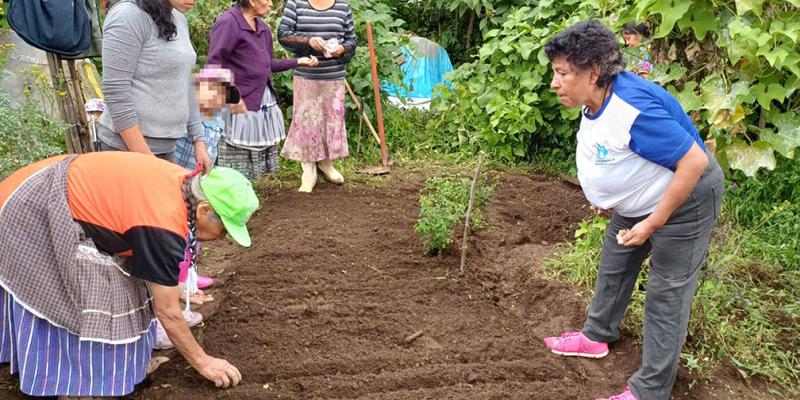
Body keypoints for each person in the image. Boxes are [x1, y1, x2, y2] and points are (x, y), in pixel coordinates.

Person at [542, 20, 723, 400]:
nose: (554, 83)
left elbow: (693, 162)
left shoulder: (632, 107)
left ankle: (651, 391)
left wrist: (654, 222)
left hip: (685, 200)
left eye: (561, 74)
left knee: (666, 294)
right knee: (615, 263)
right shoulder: (597, 96)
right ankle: (596, 336)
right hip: (642, 198)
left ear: (592, 73)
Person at [0, 152, 259, 397]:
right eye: (225, 228)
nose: (223, 237)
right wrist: (203, 362)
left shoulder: (185, 187)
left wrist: (174, 287)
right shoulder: (164, 222)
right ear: (204, 210)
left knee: (127, 286)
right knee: (86, 293)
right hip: (33, 207)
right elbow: (167, 312)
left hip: (53, 189)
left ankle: (111, 369)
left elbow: (139, 240)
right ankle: (73, 385)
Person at [207, 0, 318, 182]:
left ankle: (247, 197)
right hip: (238, 101)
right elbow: (214, 64)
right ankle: (230, 201)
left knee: (253, 167)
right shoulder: (229, 23)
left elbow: (268, 65)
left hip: (260, 100)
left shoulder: (263, 28)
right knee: (235, 165)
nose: (271, 4)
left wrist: (298, 61)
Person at [98, 0, 212, 172]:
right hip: (124, 151)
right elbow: (116, 91)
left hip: (167, 149)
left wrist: (199, 140)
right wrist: (147, 160)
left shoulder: (178, 19)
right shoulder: (128, 15)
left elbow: (185, 84)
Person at [278, 0, 357, 192]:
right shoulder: (296, 4)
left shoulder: (342, 7)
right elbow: (283, 35)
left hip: (333, 76)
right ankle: (308, 169)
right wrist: (308, 41)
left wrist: (343, 49)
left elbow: (352, 40)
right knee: (306, 122)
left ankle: (325, 163)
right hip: (306, 75)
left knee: (331, 121)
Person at [175, 67, 241, 173]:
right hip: (174, 169)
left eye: (222, 94)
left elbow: (213, 151)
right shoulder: (185, 112)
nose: (215, 96)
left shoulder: (219, 124)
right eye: (211, 89)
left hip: (197, 177)